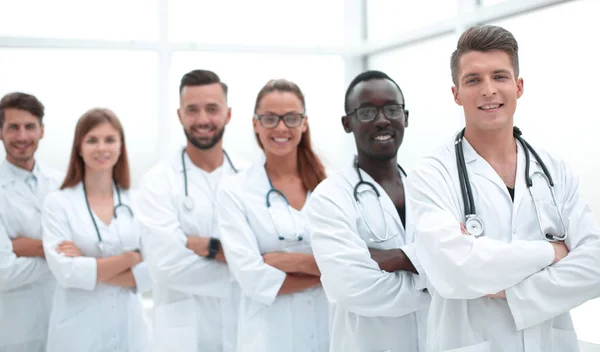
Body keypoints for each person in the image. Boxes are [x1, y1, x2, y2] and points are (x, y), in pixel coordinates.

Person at [406, 24, 600, 352]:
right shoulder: (432, 175)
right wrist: (552, 253)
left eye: (499, 76)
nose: (488, 90)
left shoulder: (555, 171)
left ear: (519, 86)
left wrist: (507, 290)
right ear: (456, 93)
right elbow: (453, 270)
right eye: (473, 79)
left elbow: (594, 264)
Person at [305, 71, 431, 352]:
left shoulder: (430, 190)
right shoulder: (330, 196)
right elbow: (350, 287)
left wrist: (394, 258)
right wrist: (435, 283)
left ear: (406, 117)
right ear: (347, 123)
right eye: (366, 111)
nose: (382, 119)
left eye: (391, 108)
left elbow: (461, 260)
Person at [135, 70, 246, 352]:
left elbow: (268, 252)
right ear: (180, 115)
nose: (203, 120)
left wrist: (196, 245)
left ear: (228, 114)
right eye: (192, 110)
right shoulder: (158, 181)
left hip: (244, 330)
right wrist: (246, 266)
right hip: (183, 337)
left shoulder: (251, 178)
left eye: (212, 109)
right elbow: (164, 266)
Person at [216, 79, 330, 352]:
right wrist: (328, 273)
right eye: (269, 118)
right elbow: (253, 280)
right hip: (269, 338)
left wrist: (289, 261)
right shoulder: (235, 191)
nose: (281, 127)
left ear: (304, 123)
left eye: (291, 118)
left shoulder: (332, 186)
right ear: (256, 124)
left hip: (329, 333)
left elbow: (356, 264)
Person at [41, 108, 151, 352]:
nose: (102, 148)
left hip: (130, 330)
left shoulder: (139, 202)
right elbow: (65, 272)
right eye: (92, 140)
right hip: (78, 333)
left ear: (121, 147)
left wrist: (87, 264)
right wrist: (131, 258)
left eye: (110, 140)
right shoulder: (58, 203)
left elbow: (151, 273)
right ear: (79, 148)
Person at [0, 92, 62, 352]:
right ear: (0, 132)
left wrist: (26, 247)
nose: (22, 137)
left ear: (42, 131)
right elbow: (3, 273)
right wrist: (59, 256)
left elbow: (87, 249)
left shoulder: (62, 184)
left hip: (62, 322)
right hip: (15, 331)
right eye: (13, 127)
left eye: (29, 127)